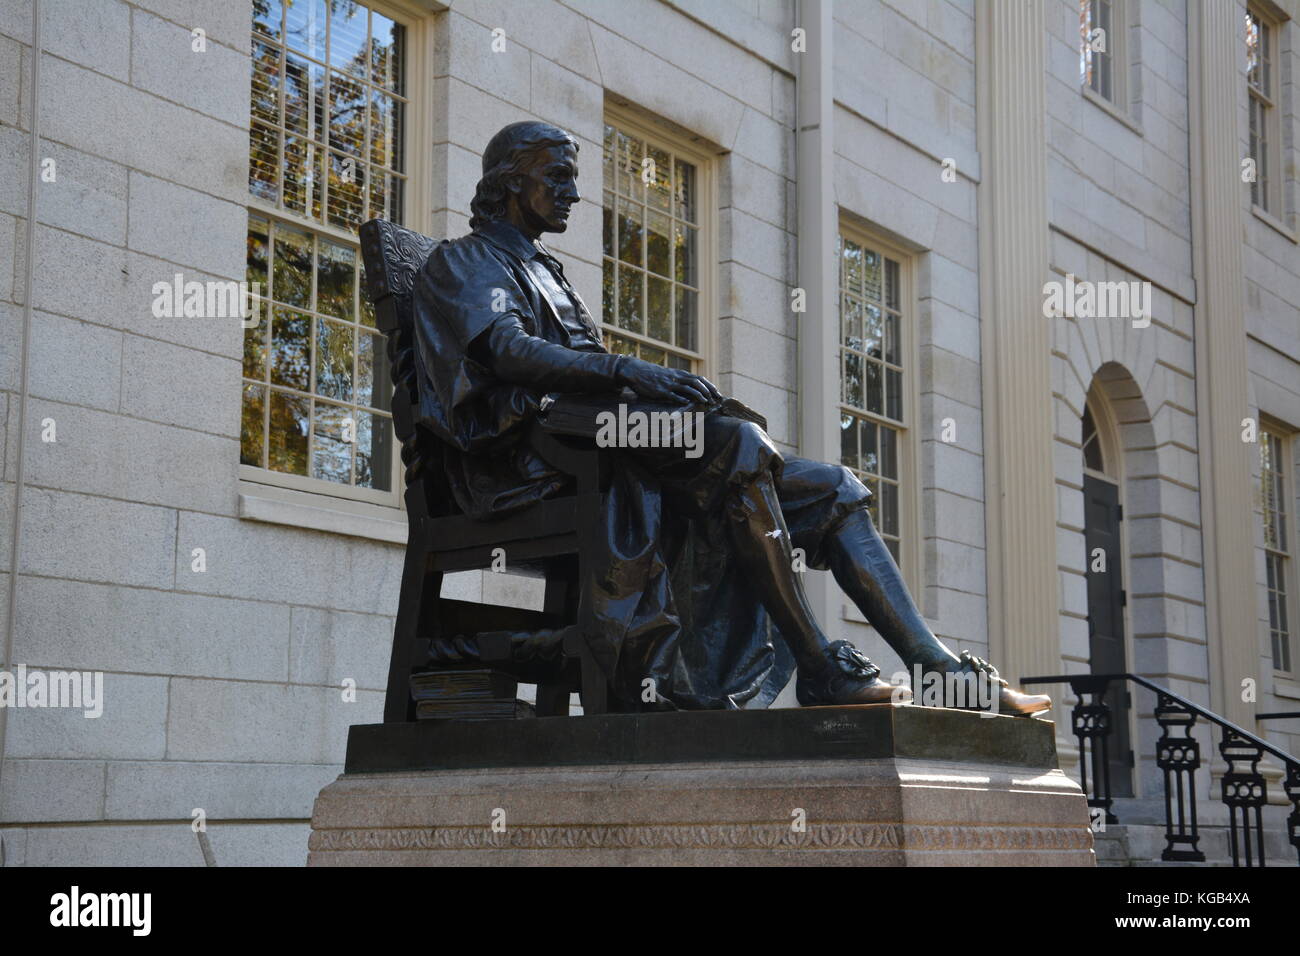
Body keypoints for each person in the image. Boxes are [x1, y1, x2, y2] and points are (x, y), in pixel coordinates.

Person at [411, 121, 1050, 717]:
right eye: (557, 177)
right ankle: (820, 664)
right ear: (508, 180)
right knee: (738, 444)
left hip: (604, 445)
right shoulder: (465, 261)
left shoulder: (546, 270)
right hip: (530, 463)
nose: (574, 193)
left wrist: (647, 389)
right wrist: (631, 372)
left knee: (833, 488)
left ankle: (936, 667)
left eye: (572, 177)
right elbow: (509, 351)